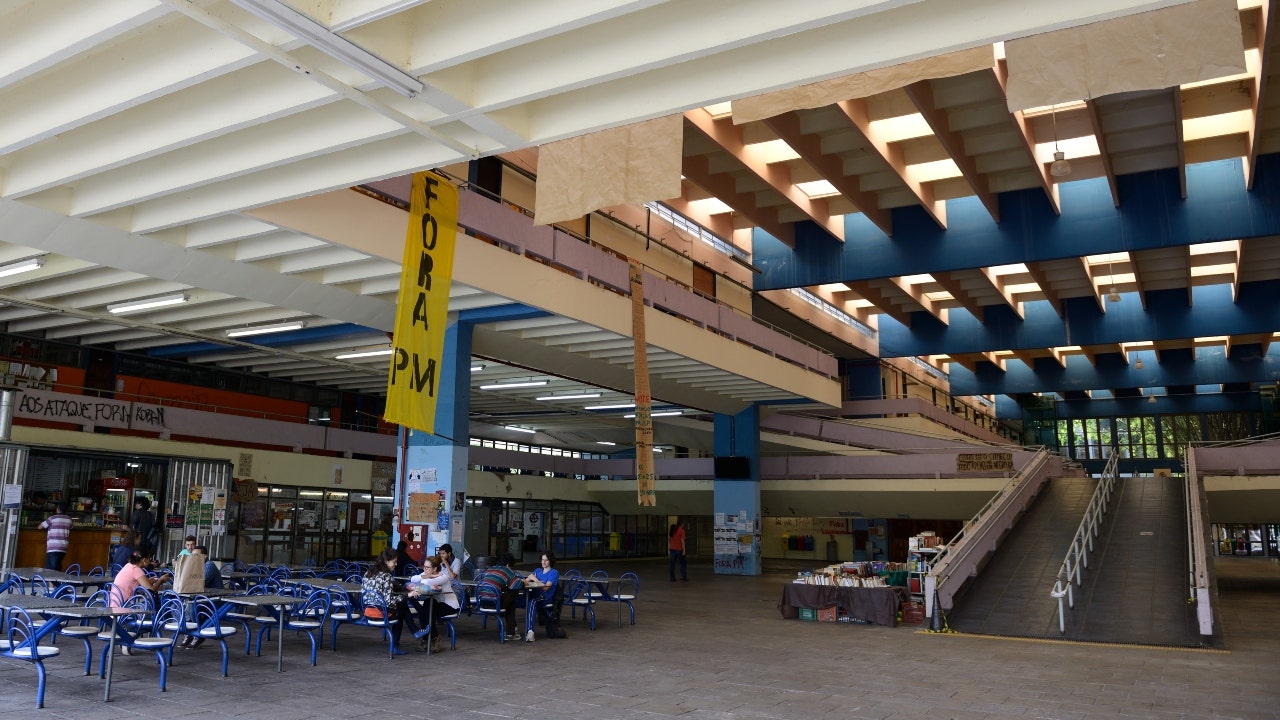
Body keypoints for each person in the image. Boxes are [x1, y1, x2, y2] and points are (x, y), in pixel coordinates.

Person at [362, 547, 426, 655]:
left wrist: (402, 590)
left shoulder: (369, 572)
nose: (396, 564)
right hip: (379, 613)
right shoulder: (386, 575)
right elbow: (389, 600)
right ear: (386, 561)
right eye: (394, 562)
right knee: (401, 607)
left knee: (400, 608)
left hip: (367, 611)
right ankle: (409, 635)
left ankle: (412, 633)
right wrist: (408, 595)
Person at [407, 555, 460, 652]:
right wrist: (428, 575)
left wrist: (427, 577)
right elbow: (413, 579)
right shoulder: (428, 573)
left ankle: (430, 638)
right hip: (435, 603)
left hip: (450, 605)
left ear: (435, 568)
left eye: (427, 567)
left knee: (427, 610)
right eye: (424, 567)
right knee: (427, 606)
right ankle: (431, 637)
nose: (425, 569)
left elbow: (425, 582)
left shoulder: (443, 576)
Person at [180, 545, 223, 649]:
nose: (193, 558)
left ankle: (198, 633)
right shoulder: (195, 566)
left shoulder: (209, 565)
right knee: (177, 603)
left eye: (196, 555)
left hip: (214, 600)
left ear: (204, 556)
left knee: (191, 604)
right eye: (192, 555)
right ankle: (189, 631)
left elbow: (201, 582)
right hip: (201, 598)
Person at [475, 553, 523, 640]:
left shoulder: (490, 569)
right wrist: (525, 581)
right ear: (508, 564)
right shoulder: (506, 570)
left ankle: (512, 632)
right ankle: (510, 634)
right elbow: (518, 585)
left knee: (510, 603)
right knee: (513, 593)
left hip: (482, 602)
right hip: (495, 604)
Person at [521, 551, 559, 642]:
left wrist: (534, 579)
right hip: (533, 594)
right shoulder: (537, 570)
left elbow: (546, 588)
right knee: (514, 600)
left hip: (544, 597)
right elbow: (526, 582)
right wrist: (524, 580)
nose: (543, 562)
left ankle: (530, 632)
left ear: (550, 561)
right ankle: (512, 630)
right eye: (542, 560)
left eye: (546, 560)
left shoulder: (554, 573)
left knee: (532, 602)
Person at [38, 503, 73, 571]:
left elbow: (40, 527)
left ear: (58, 509)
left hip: (53, 547)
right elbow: (71, 527)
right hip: (63, 548)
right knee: (57, 567)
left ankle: (52, 582)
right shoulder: (69, 520)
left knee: (51, 570)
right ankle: (56, 581)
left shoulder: (52, 518)